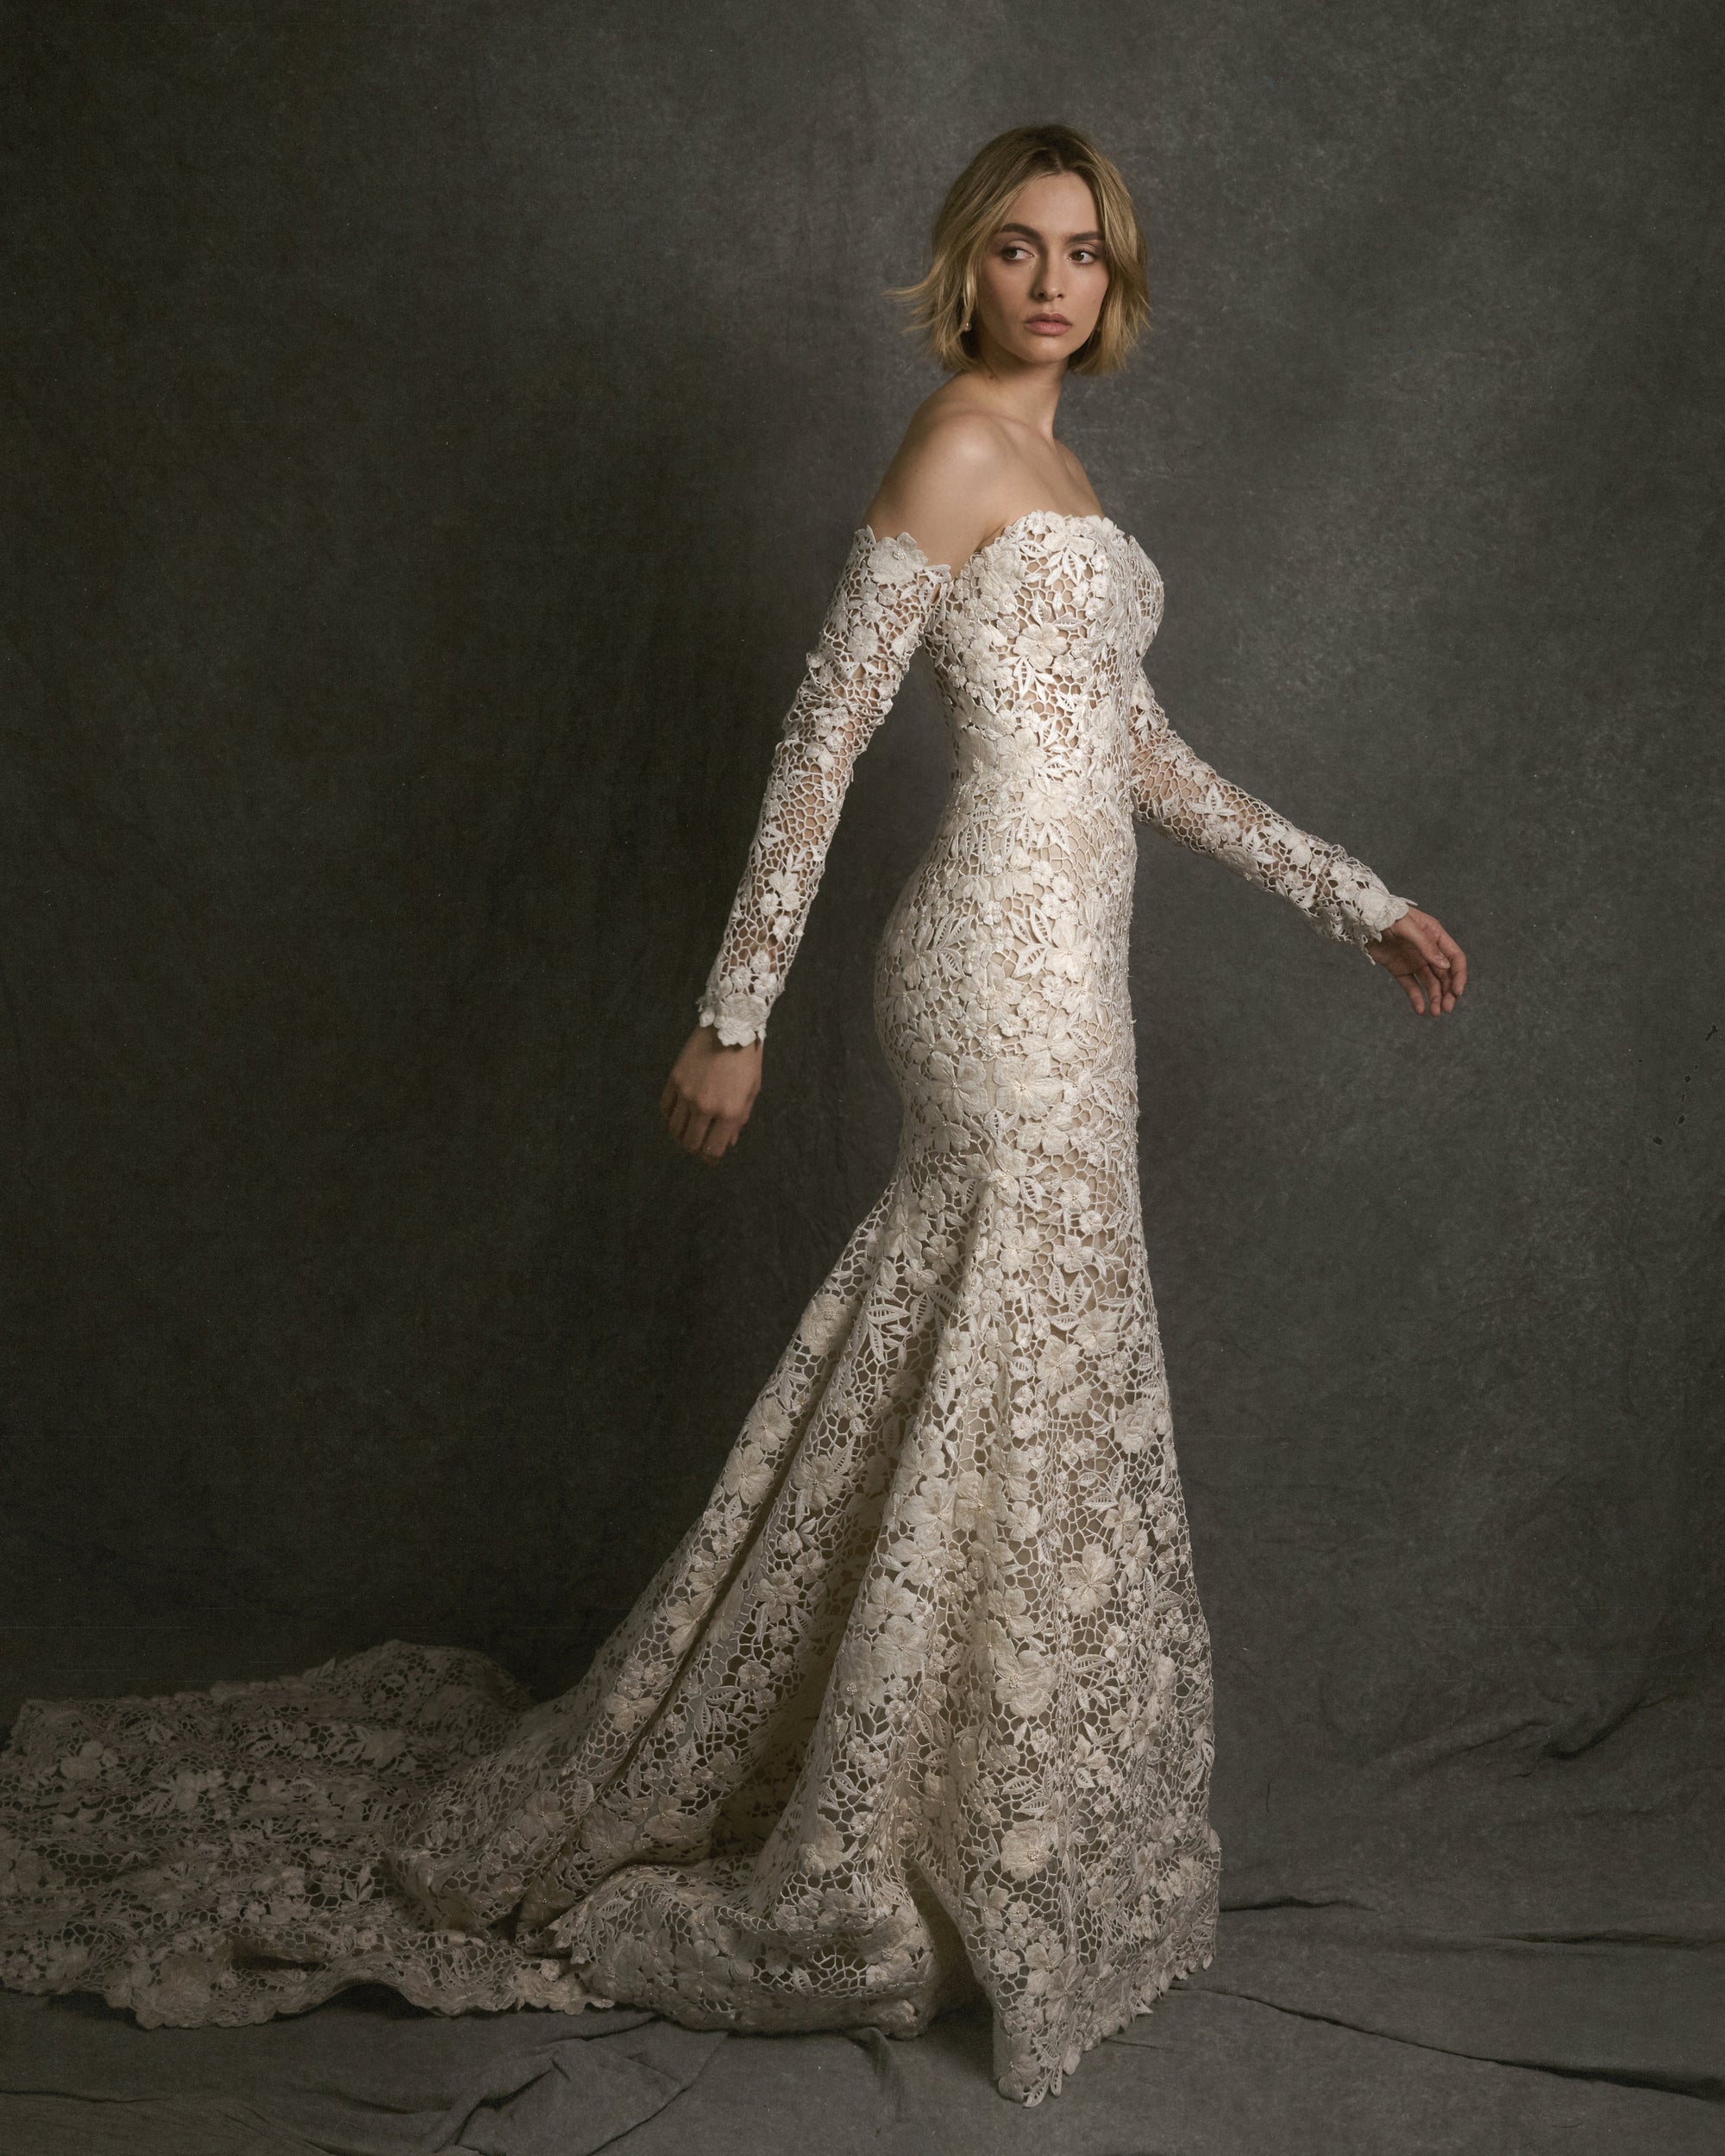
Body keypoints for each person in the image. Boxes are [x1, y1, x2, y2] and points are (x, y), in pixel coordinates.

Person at [0, 124, 1465, 2109]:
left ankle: (986, 1813)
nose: (1051, 283)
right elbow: (825, 729)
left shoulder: (1069, 480)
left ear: (1113, 284)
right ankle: (888, 1828)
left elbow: (1145, 756)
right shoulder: (954, 448)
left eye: (1082, 254)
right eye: (1017, 249)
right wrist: (735, 1009)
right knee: (1000, 1350)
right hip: (985, 972)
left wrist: (1352, 896)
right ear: (967, 268)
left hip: (1083, 984)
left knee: (1019, 1363)